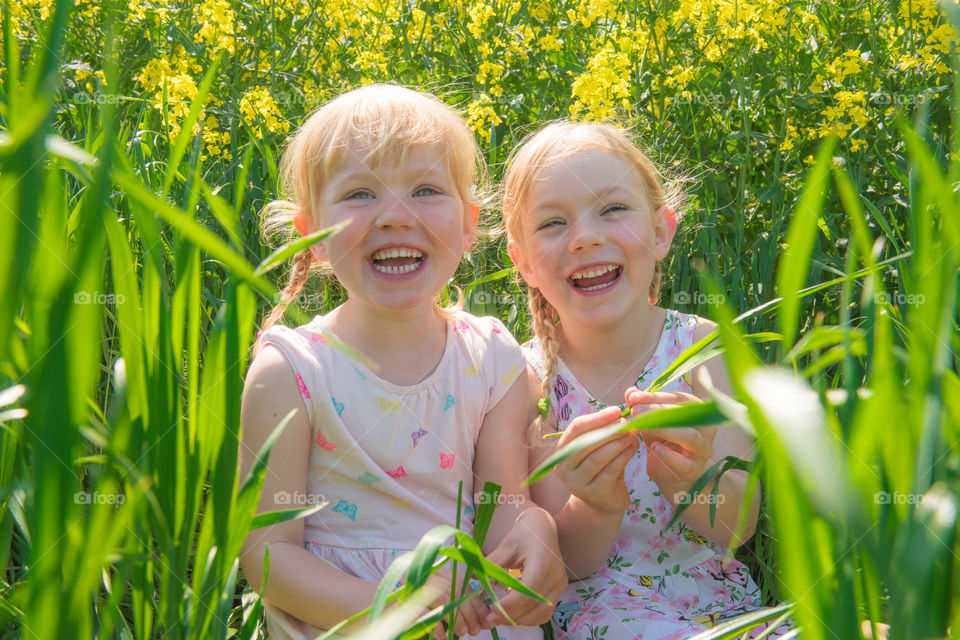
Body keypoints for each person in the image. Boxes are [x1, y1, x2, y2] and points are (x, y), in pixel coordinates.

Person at [238, 85, 567, 640]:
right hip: (346, 615)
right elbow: (269, 559)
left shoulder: (491, 360)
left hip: (466, 613)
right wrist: (395, 606)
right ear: (311, 237)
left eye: (425, 190)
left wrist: (538, 538)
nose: (394, 216)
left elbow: (506, 506)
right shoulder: (290, 371)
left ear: (468, 226)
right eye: (361, 194)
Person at [501, 121, 790, 639]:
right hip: (604, 610)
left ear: (661, 232)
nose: (586, 236)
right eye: (552, 223)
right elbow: (567, 566)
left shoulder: (705, 349)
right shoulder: (528, 380)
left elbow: (737, 530)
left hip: (719, 600)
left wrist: (691, 478)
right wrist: (593, 503)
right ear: (523, 263)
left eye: (612, 209)